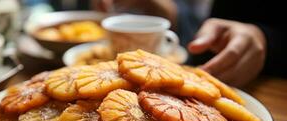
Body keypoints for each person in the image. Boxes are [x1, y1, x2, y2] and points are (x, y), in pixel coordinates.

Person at [95, 0, 286, 87]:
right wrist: (166, 9)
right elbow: (192, 22)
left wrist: (264, 38)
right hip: (197, 72)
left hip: (267, 87)